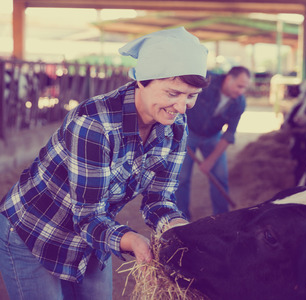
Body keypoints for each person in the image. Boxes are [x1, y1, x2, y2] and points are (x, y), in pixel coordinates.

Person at [0, 27, 209, 300]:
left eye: (191, 96)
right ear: (141, 81)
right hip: (35, 232)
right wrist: (132, 240)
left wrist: (178, 230)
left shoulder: (176, 125)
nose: (182, 107)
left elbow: (159, 199)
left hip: (92, 238)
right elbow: (88, 216)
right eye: (173, 93)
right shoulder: (94, 123)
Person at [176, 66, 251, 220]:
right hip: (188, 131)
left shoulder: (239, 103)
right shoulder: (206, 81)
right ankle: (181, 217)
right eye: (239, 86)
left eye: (245, 88)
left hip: (213, 136)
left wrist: (209, 161)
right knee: (181, 177)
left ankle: (222, 217)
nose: (241, 91)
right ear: (229, 79)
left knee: (220, 176)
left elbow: (229, 135)